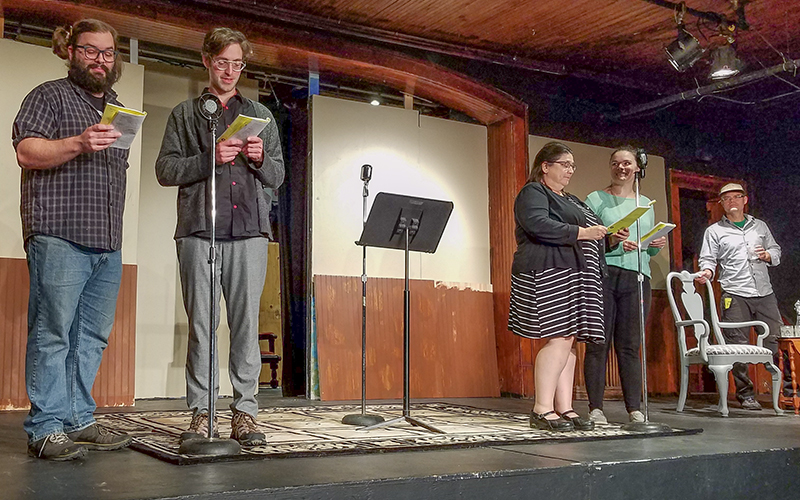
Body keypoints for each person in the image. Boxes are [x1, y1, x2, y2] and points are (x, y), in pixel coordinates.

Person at [156, 27, 285, 446]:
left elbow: (279, 175)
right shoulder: (185, 113)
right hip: (199, 230)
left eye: (237, 63)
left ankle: (245, 413)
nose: (230, 70)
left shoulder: (261, 117)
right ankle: (201, 412)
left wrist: (261, 158)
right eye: (222, 62)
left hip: (249, 230)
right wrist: (208, 158)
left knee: (246, 326)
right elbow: (165, 170)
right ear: (207, 62)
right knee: (203, 326)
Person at [12, 19, 133, 461]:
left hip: (107, 239)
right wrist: (80, 143)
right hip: (59, 234)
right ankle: (45, 427)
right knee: (52, 333)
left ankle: (78, 419)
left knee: (92, 336)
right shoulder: (49, 95)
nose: (100, 60)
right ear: (70, 51)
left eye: (107, 52)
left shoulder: (117, 109)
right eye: (90, 50)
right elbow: (27, 151)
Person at [508, 141, 625, 432]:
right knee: (559, 338)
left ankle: (565, 407)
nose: (570, 170)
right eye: (565, 164)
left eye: (573, 165)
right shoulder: (533, 192)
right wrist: (583, 232)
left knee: (569, 340)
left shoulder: (572, 200)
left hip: (578, 274)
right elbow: (537, 223)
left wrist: (610, 238)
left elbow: (589, 234)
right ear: (545, 166)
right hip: (550, 270)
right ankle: (542, 408)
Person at [583, 146, 666, 424]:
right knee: (599, 342)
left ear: (637, 168)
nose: (622, 168)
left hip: (637, 277)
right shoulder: (595, 199)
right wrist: (612, 240)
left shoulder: (646, 204)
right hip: (604, 274)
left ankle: (634, 409)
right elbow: (585, 241)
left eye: (627, 163)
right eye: (616, 163)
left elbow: (649, 253)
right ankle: (595, 408)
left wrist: (654, 245)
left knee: (630, 345)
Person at [696, 183, 783, 410]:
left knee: (777, 341)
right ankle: (746, 395)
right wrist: (707, 271)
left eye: (737, 197)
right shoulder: (714, 231)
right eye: (727, 198)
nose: (732, 201)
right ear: (722, 204)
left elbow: (776, 251)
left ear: (745, 200)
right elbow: (708, 259)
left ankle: (789, 392)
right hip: (734, 293)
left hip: (764, 292)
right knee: (738, 345)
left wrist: (767, 255)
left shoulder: (760, 226)